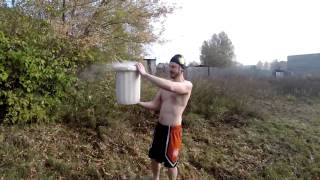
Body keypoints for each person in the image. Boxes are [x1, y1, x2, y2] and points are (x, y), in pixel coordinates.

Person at [136, 54, 193, 180]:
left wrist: (145, 75)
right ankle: (155, 178)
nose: (170, 69)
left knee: (171, 163)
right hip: (160, 127)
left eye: (173, 66)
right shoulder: (164, 87)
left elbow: (172, 87)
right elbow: (155, 105)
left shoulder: (187, 85)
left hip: (173, 130)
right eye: (169, 66)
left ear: (181, 69)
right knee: (154, 157)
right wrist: (137, 102)